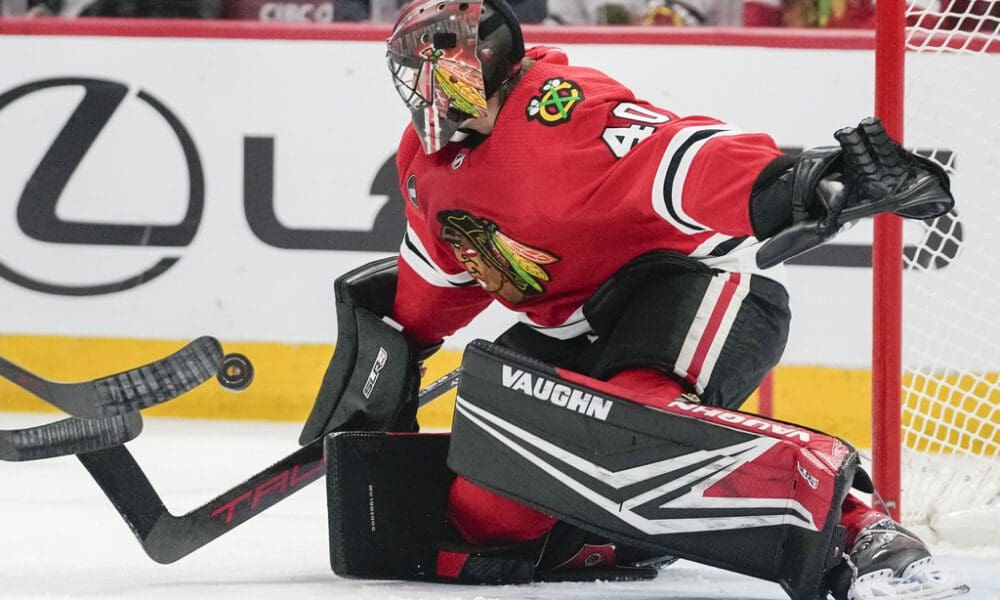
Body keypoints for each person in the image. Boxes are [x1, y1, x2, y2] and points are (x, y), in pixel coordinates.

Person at [382, 1, 963, 598]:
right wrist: (386, 362)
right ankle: (627, 528)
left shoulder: (558, 108)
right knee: (483, 521)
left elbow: (679, 156)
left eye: (429, 61)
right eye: (409, 65)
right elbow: (434, 284)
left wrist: (792, 184)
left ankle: (859, 525)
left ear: (481, 56)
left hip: (686, 282)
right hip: (572, 330)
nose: (418, 82)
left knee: (637, 425)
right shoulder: (424, 165)